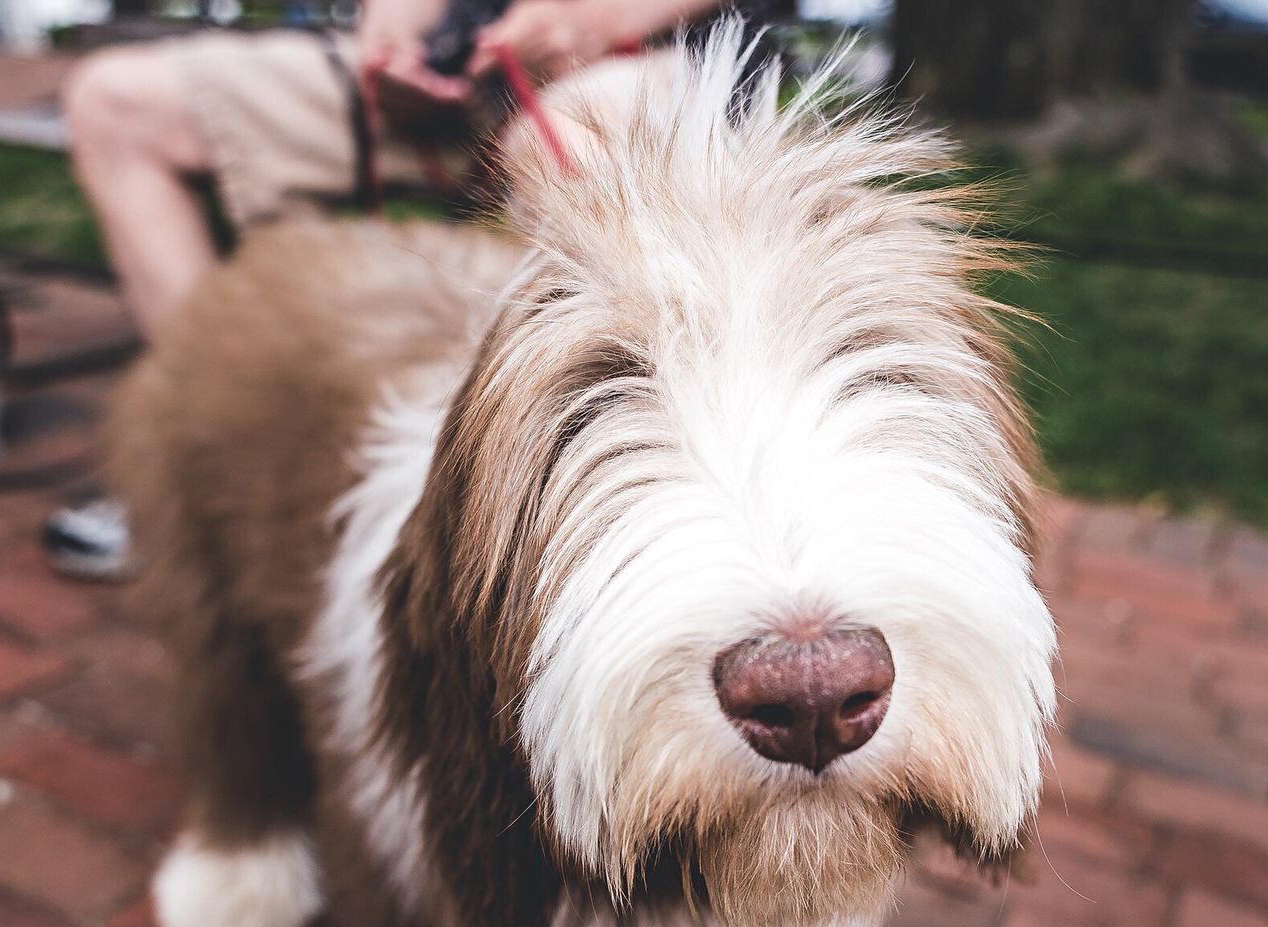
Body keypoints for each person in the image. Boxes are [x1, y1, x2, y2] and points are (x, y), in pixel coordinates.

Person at [42, 0, 793, 579]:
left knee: (561, 146)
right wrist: (390, 35)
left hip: (654, 54)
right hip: (457, 76)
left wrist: (599, 13)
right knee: (115, 101)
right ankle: (198, 465)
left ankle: (602, 512)